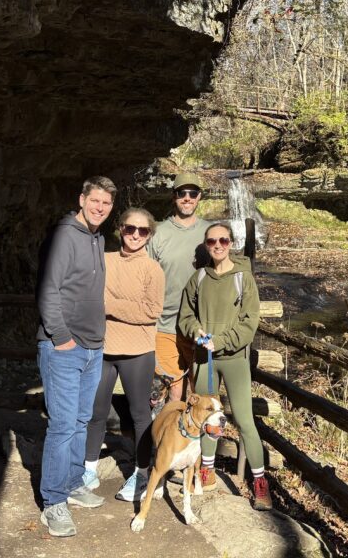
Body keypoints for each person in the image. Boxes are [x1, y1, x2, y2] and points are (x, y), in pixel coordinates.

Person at [35, 176, 116, 537]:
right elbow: (49, 289)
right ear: (82, 199)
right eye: (95, 200)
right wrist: (62, 338)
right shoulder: (66, 234)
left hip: (92, 348)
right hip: (64, 348)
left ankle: (70, 484)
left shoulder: (97, 237)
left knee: (81, 420)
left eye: (106, 203)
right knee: (63, 424)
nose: (100, 207)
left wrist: (96, 340)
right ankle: (53, 502)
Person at [178, 222, 273, 511]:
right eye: (211, 241)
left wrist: (220, 340)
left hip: (234, 360)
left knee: (244, 420)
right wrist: (197, 333)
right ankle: (205, 472)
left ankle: (259, 483)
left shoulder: (243, 278)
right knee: (205, 418)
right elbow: (186, 316)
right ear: (206, 245)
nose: (217, 245)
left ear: (230, 243)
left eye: (222, 240)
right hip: (204, 361)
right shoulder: (199, 278)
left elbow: (249, 322)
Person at [82, 208, 164, 503]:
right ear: (120, 229)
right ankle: (88, 468)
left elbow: (151, 311)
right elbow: (91, 298)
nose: (135, 235)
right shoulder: (104, 260)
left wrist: (110, 303)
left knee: (141, 413)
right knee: (95, 411)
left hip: (138, 351)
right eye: (130, 229)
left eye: (143, 231)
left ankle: (143, 475)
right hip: (102, 348)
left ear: (150, 235)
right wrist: (124, 304)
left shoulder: (152, 269)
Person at [147, 173, 211, 403]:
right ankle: (174, 437)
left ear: (199, 197)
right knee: (174, 390)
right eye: (182, 193)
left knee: (199, 390)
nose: (187, 198)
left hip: (199, 325)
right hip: (164, 324)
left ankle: (197, 438)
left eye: (192, 193)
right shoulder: (158, 233)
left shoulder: (211, 234)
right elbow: (146, 276)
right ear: (174, 196)